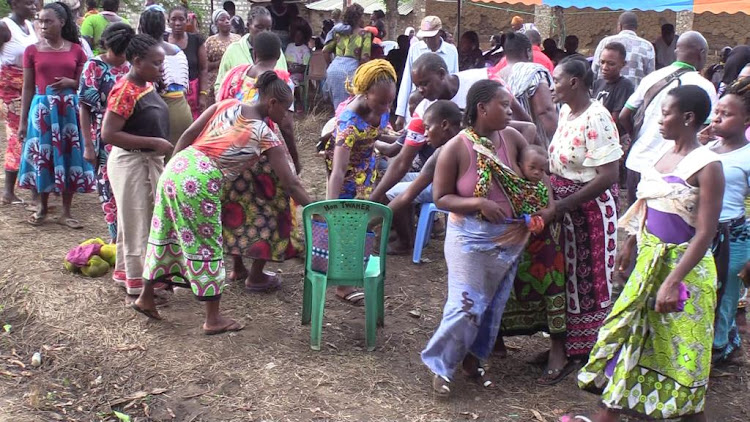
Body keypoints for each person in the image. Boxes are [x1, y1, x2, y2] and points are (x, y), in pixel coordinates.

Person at [573, 85, 724, 422]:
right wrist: (631, 242)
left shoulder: (707, 165)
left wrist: (673, 281)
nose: (659, 120)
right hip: (648, 265)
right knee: (633, 340)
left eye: (665, 113)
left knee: (683, 355)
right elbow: (648, 206)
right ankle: (606, 415)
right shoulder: (661, 155)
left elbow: (705, 233)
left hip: (685, 274)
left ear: (688, 118)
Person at [132, 71, 311, 334]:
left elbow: (189, 133)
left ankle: (146, 296)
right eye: (285, 109)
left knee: (164, 232)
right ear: (272, 103)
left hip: (177, 168)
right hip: (200, 181)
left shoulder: (226, 104)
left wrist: (174, 163)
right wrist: (317, 208)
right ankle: (213, 319)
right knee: (207, 245)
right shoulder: (264, 133)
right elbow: (290, 183)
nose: (286, 116)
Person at [421, 79, 545, 397]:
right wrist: (478, 202)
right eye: (503, 105)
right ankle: (440, 366)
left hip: (509, 238)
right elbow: (441, 198)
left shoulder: (512, 138)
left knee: (492, 306)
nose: (508, 110)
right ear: (482, 108)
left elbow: (536, 182)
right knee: (466, 305)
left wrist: (535, 218)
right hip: (469, 238)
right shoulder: (456, 148)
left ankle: (472, 359)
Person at [543, 56, 622, 382]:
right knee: (564, 279)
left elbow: (608, 176)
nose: (552, 86)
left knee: (588, 284)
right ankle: (566, 346)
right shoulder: (566, 111)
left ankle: (586, 352)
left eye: (557, 79)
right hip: (564, 207)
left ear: (574, 82)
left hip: (590, 213)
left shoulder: (598, 118)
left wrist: (564, 206)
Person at [217, 31, 301, 292]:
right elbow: (285, 124)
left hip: (234, 152)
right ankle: (257, 274)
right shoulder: (279, 79)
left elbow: (221, 106)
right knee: (273, 211)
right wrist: (295, 159)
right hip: (267, 153)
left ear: (253, 52)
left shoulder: (235, 75)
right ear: (279, 57)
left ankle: (237, 267)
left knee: (234, 207)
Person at [100, 32, 170, 296]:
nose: (160, 68)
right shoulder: (125, 90)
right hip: (132, 163)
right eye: (156, 63)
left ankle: (131, 274)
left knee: (140, 221)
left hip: (146, 160)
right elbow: (109, 134)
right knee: (137, 223)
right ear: (138, 61)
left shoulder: (146, 84)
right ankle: (139, 288)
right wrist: (154, 142)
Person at [325, 59, 397, 305]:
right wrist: (329, 207)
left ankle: (355, 271)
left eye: (390, 101)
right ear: (366, 94)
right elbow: (338, 170)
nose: (386, 107)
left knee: (364, 225)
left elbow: (377, 134)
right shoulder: (348, 122)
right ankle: (343, 286)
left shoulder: (381, 105)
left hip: (366, 169)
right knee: (345, 226)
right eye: (381, 102)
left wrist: (394, 142)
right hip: (345, 176)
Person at [18, 1, 93, 227]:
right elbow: (28, 87)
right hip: (42, 111)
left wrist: (73, 82)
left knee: (69, 157)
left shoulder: (76, 50)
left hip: (69, 111)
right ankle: (42, 208)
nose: (43, 25)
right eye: (40, 21)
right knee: (44, 156)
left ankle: (66, 212)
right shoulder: (31, 51)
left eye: (48, 21)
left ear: (61, 22)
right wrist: (23, 122)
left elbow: (88, 83)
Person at [620, 31, 717, 206]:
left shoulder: (652, 78)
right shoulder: (705, 86)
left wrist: (637, 136)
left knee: (634, 223)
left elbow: (624, 115)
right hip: (674, 171)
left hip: (638, 161)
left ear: (676, 51)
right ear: (702, 53)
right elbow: (706, 131)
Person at [706, 78, 750, 363]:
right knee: (704, 295)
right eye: (717, 111)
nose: (718, 117)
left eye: (727, 113)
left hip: (734, 236)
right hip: (702, 233)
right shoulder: (707, 148)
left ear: (747, 119)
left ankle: (720, 350)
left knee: (726, 298)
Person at [78, 22, 131, 244]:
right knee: (107, 187)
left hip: (130, 135)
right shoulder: (94, 67)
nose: (119, 56)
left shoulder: (132, 66)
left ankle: (128, 236)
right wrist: (88, 146)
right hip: (103, 137)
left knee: (127, 187)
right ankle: (115, 238)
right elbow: (84, 107)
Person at [386, 100, 461, 251]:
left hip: (449, 192)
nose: (425, 134)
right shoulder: (443, 150)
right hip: (435, 183)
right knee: (390, 182)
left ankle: (404, 240)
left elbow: (410, 193)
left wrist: (374, 220)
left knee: (393, 192)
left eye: (427, 128)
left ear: (444, 125)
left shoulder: (455, 148)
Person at [0, 0, 37, 205]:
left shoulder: (30, 26)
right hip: (10, 91)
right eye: (28, 2)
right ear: (14, 3)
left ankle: (26, 187)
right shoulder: (4, 27)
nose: (34, 5)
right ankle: (8, 191)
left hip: (29, 88)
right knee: (17, 136)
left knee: (28, 134)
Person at [139, 7, 192, 150]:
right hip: (183, 111)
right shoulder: (178, 51)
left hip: (159, 115)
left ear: (142, 27)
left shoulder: (146, 55)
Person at [394, 16, 459, 130]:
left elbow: (454, 79)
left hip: (440, 108)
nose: (427, 40)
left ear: (439, 33)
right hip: (416, 104)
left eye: (431, 37)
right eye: (425, 37)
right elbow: (407, 81)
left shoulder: (451, 51)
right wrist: (400, 113)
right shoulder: (415, 49)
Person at [494, 32, 557, 148]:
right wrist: (557, 141)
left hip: (506, 146)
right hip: (535, 148)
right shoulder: (533, 71)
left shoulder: (495, 75)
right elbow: (545, 111)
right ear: (528, 52)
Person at [214, 7, 286, 95]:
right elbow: (220, 86)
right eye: (259, 27)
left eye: (268, 28)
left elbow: (284, 81)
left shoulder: (275, 51)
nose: (264, 32)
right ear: (248, 25)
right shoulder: (233, 50)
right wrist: (231, 106)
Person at [592, 42, 635, 188]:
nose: (604, 67)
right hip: (597, 138)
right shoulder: (598, 83)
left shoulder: (624, 85)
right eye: (602, 62)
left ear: (623, 64)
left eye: (611, 64)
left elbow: (615, 119)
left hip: (613, 140)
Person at [323, 4, 372, 110]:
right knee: (351, 107)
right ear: (358, 18)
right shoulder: (365, 34)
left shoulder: (338, 32)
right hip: (351, 72)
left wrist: (329, 66)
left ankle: (338, 124)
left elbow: (325, 51)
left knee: (338, 107)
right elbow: (364, 58)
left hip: (334, 70)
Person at [591, 12, 655, 86]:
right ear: (636, 27)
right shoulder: (647, 46)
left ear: (620, 26)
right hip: (634, 95)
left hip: (605, 93)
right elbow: (651, 77)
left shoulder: (605, 42)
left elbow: (594, 71)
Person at [167, 5, 207, 120]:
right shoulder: (162, 40)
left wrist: (203, 95)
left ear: (187, 21)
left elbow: (203, 69)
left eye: (181, 19)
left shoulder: (196, 40)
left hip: (193, 95)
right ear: (168, 21)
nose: (177, 23)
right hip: (168, 95)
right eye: (174, 19)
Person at [204, 9, 240, 104]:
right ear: (216, 23)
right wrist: (218, 64)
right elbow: (204, 65)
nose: (227, 21)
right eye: (222, 19)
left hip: (234, 81)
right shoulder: (210, 41)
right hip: (215, 83)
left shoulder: (238, 39)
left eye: (228, 19)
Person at [286, 26, 311, 111]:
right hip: (288, 70)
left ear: (303, 37)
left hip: (299, 73)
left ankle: (298, 101)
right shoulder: (290, 46)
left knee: (291, 80)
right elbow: (286, 61)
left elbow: (304, 67)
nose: (297, 38)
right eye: (296, 35)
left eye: (300, 36)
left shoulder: (305, 49)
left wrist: (293, 70)